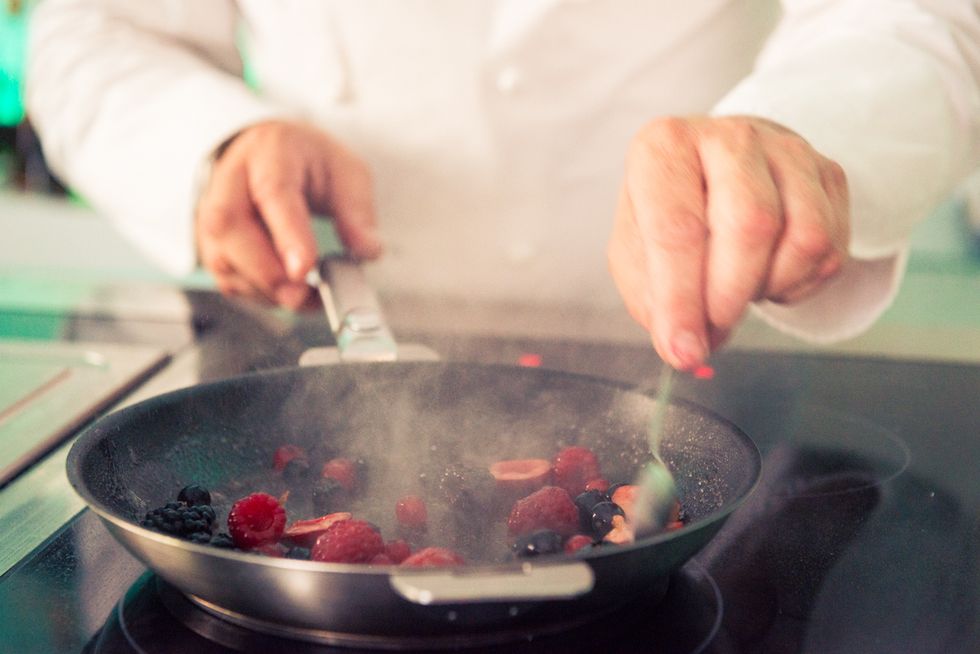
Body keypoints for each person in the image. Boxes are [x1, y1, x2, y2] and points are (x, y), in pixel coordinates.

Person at [26, 1, 980, 370]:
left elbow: (922, 15)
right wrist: (216, 145)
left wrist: (793, 139)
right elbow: (94, 27)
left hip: (702, 355)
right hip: (306, 341)